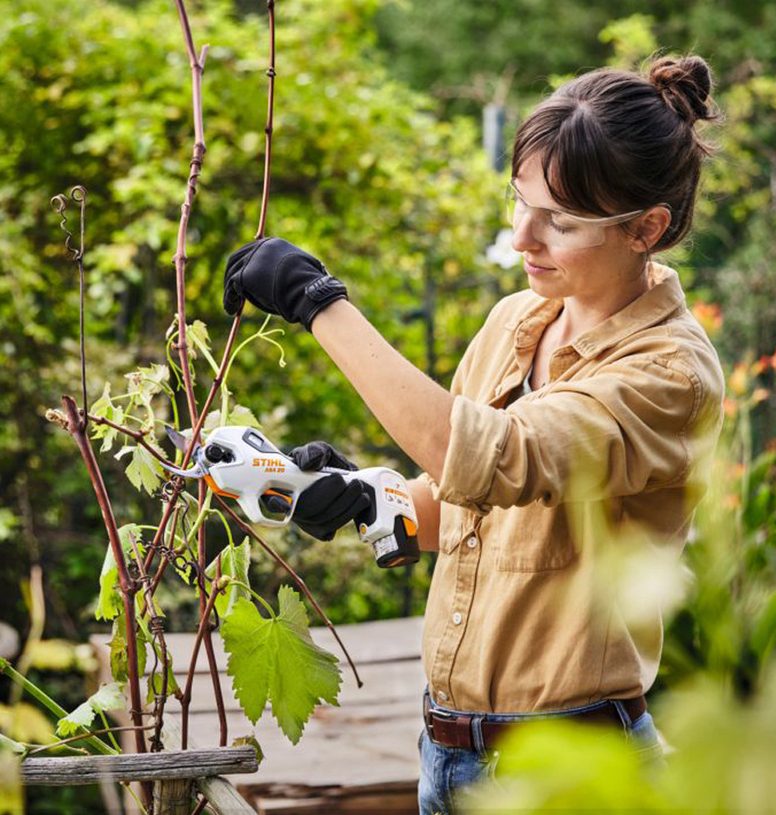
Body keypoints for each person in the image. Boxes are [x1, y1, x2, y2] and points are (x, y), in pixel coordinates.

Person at [222, 54, 726, 813]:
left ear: (645, 228)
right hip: (449, 757)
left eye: (560, 221)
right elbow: (469, 507)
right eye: (519, 201)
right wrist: (368, 496)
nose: (522, 236)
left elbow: (498, 457)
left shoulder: (668, 374)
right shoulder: (515, 322)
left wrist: (318, 302)